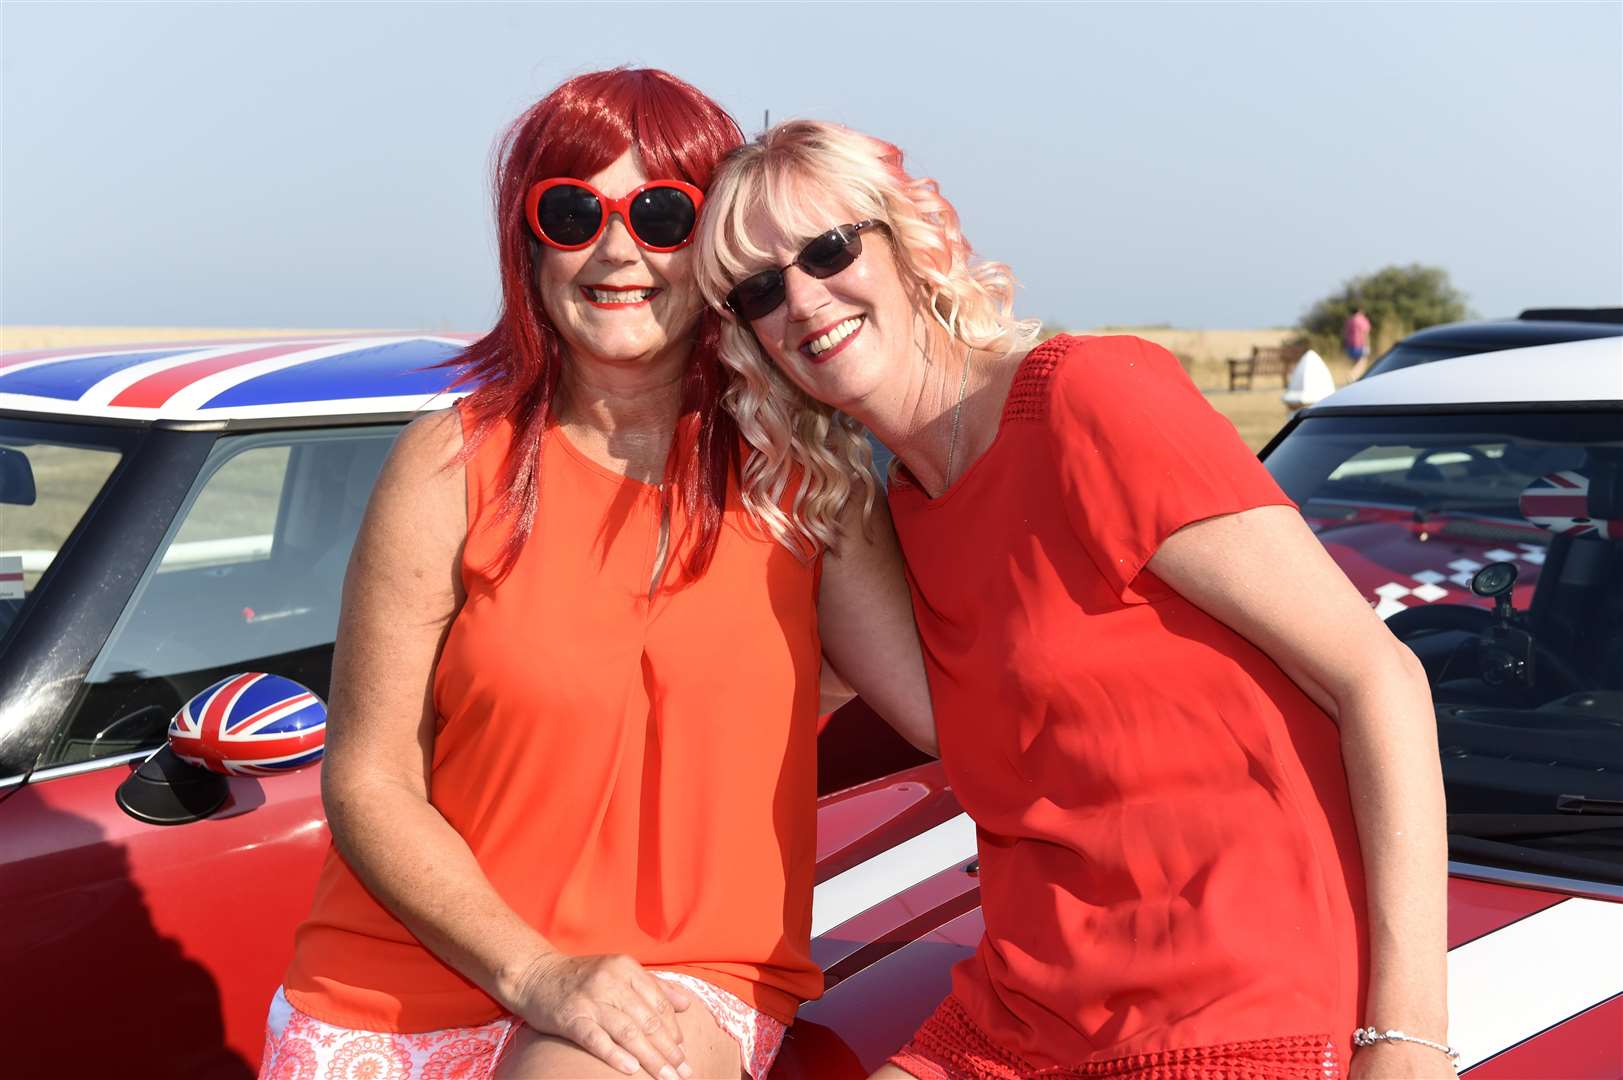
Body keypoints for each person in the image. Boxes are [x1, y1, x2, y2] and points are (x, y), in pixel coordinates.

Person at [694, 120, 1452, 1080]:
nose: (801, 298)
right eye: (758, 290)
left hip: (1229, 1009)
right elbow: (932, 723)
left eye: (828, 248)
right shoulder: (898, 507)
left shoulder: (1087, 398)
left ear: (905, 241)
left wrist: (1409, 1041)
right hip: (1019, 1015)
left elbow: (1377, 675)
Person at [259, 75, 934, 1080]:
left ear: (715, 248)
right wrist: (534, 972)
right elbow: (369, 779)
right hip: (395, 988)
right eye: (574, 211)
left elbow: (957, 716)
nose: (617, 250)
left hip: (675, 984)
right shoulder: (449, 465)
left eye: (664, 215)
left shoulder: (805, 478)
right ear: (530, 243)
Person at [1345, 305, 1373, 378]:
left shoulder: (1349, 320)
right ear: (1360, 311)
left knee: (1355, 363)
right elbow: (1365, 334)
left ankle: (1354, 378)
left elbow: (1346, 333)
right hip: (1360, 345)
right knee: (1362, 363)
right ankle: (1351, 375)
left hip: (1350, 345)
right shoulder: (1362, 320)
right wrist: (1367, 345)